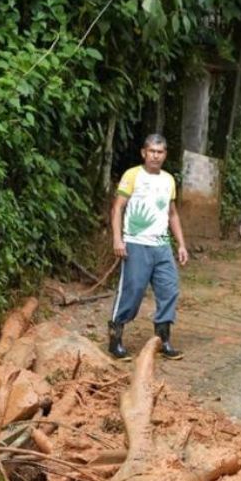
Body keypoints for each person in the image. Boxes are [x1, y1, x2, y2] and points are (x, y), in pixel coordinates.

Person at [108, 133, 189, 361]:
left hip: (161, 245)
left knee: (169, 289)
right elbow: (117, 208)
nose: (155, 156)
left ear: (165, 155)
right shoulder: (132, 175)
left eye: (160, 152)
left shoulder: (168, 180)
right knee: (132, 291)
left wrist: (181, 244)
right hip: (136, 243)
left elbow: (172, 214)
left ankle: (163, 338)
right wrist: (117, 239)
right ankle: (116, 336)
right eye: (151, 151)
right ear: (144, 153)